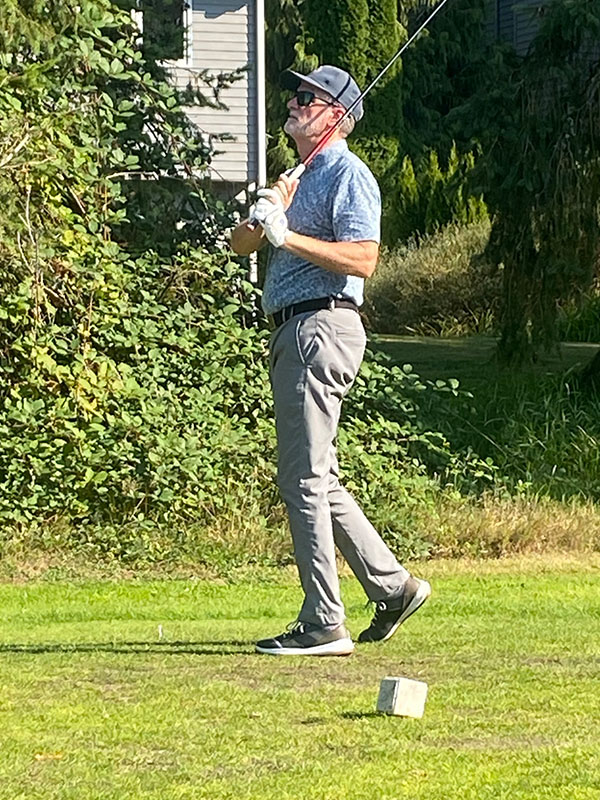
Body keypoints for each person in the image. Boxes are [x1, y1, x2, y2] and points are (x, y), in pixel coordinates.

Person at [230, 65, 430, 656]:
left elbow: (364, 259)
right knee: (320, 477)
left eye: (307, 98)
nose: (294, 103)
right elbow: (242, 244)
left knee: (303, 479)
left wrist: (285, 236)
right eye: (296, 95)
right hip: (297, 329)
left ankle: (324, 622)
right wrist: (264, 216)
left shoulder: (347, 172)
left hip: (321, 323)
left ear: (335, 116)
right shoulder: (297, 175)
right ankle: (393, 588)